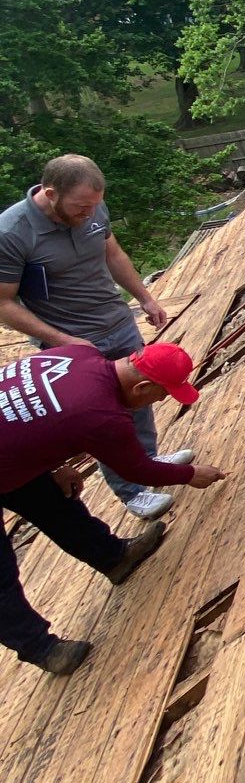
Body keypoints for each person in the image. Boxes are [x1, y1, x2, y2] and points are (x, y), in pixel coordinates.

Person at [0, 341, 226, 676]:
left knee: (55, 503)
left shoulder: (80, 353)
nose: (161, 401)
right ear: (142, 386)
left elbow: (32, 411)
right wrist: (191, 474)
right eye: (161, 395)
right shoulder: (101, 415)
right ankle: (41, 649)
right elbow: (137, 470)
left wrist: (51, 464)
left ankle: (113, 557)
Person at [0, 155, 193, 521]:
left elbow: (113, 253)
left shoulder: (92, 210)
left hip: (116, 322)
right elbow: (3, 303)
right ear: (51, 193)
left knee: (141, 396)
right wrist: (61, 340)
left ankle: (147, 460)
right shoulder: (11, 233)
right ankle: (132, 491)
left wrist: (145, 297)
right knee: (103, 418)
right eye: (81, 206)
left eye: (95, 205)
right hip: (69, 345)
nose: (89, 214)